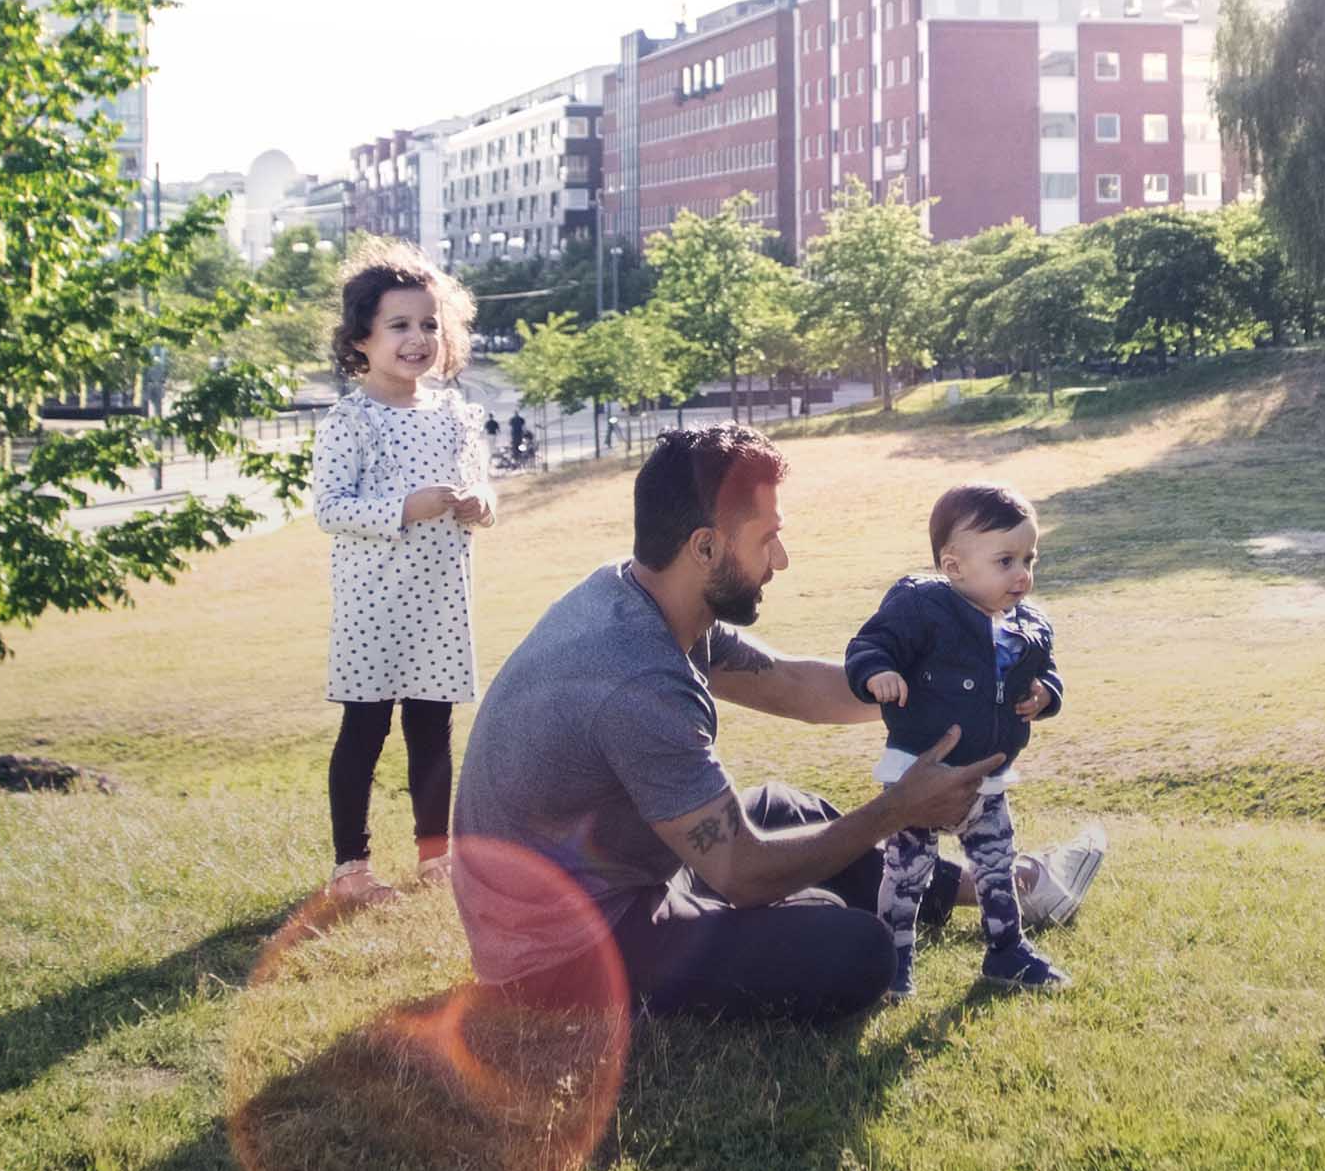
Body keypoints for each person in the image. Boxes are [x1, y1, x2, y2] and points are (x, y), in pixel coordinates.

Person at [449, 423, 1108, 1025]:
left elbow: (792, 683)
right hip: (566, 954)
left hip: (609, 878)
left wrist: (949, 693)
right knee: (854, 950)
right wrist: (895, 807)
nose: (782, 561)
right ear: (705, 547)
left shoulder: (643, 595)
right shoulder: (636, 678)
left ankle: (1007, 886)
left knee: (786, 808)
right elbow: (741, 871)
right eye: (767, 539)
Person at [848, 482, 1089, 996]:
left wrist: (1046, 694)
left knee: (996, 869)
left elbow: (1047, 672)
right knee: (906, 873)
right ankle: (893, 962)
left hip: (987, 778)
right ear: (954, 567)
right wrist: (877, 673)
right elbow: (871, 644)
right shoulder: (922, 607)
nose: (1022, 575)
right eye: (1005, 561)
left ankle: (1007, 952)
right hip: (919, 776)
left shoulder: (1030, 626)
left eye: (1030, 558)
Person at [309, 244, 494, 907]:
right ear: (361, 338)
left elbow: (483, 493)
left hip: (440, 605)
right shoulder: (350, 421)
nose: (418, 338)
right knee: (364, 731)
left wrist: (479, 506)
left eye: (429, 325)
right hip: (373, 606)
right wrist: (402, 510)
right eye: (399, 326)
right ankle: (351, 869)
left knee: (432, 732)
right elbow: (330, 508)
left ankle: (435, 857)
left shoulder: (455, 416)